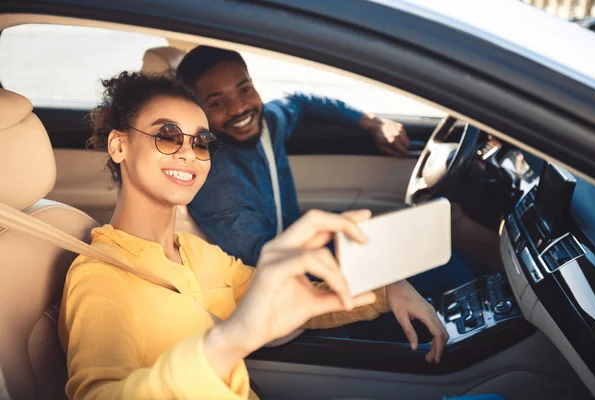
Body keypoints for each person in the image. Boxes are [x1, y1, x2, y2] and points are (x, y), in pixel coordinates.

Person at [58, 72, 457, 399]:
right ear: (118, 145)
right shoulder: (100, 277)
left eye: (201, 141)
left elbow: (288, 299)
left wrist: (385, 287)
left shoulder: (197, 253)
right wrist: (228, 342)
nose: (189, 154)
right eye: (167, 135)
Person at [177, 46, 482, 296]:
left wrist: (371, 122)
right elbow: (264, 259)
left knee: (432, 246)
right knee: (433, 263)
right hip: (283, 282)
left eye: (244, 89)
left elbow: (303, 102)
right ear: (197, 112)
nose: (239, 107)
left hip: (299, 248)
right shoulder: (213, 176)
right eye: (217, 102)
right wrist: (341, 248)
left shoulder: (269, 123)